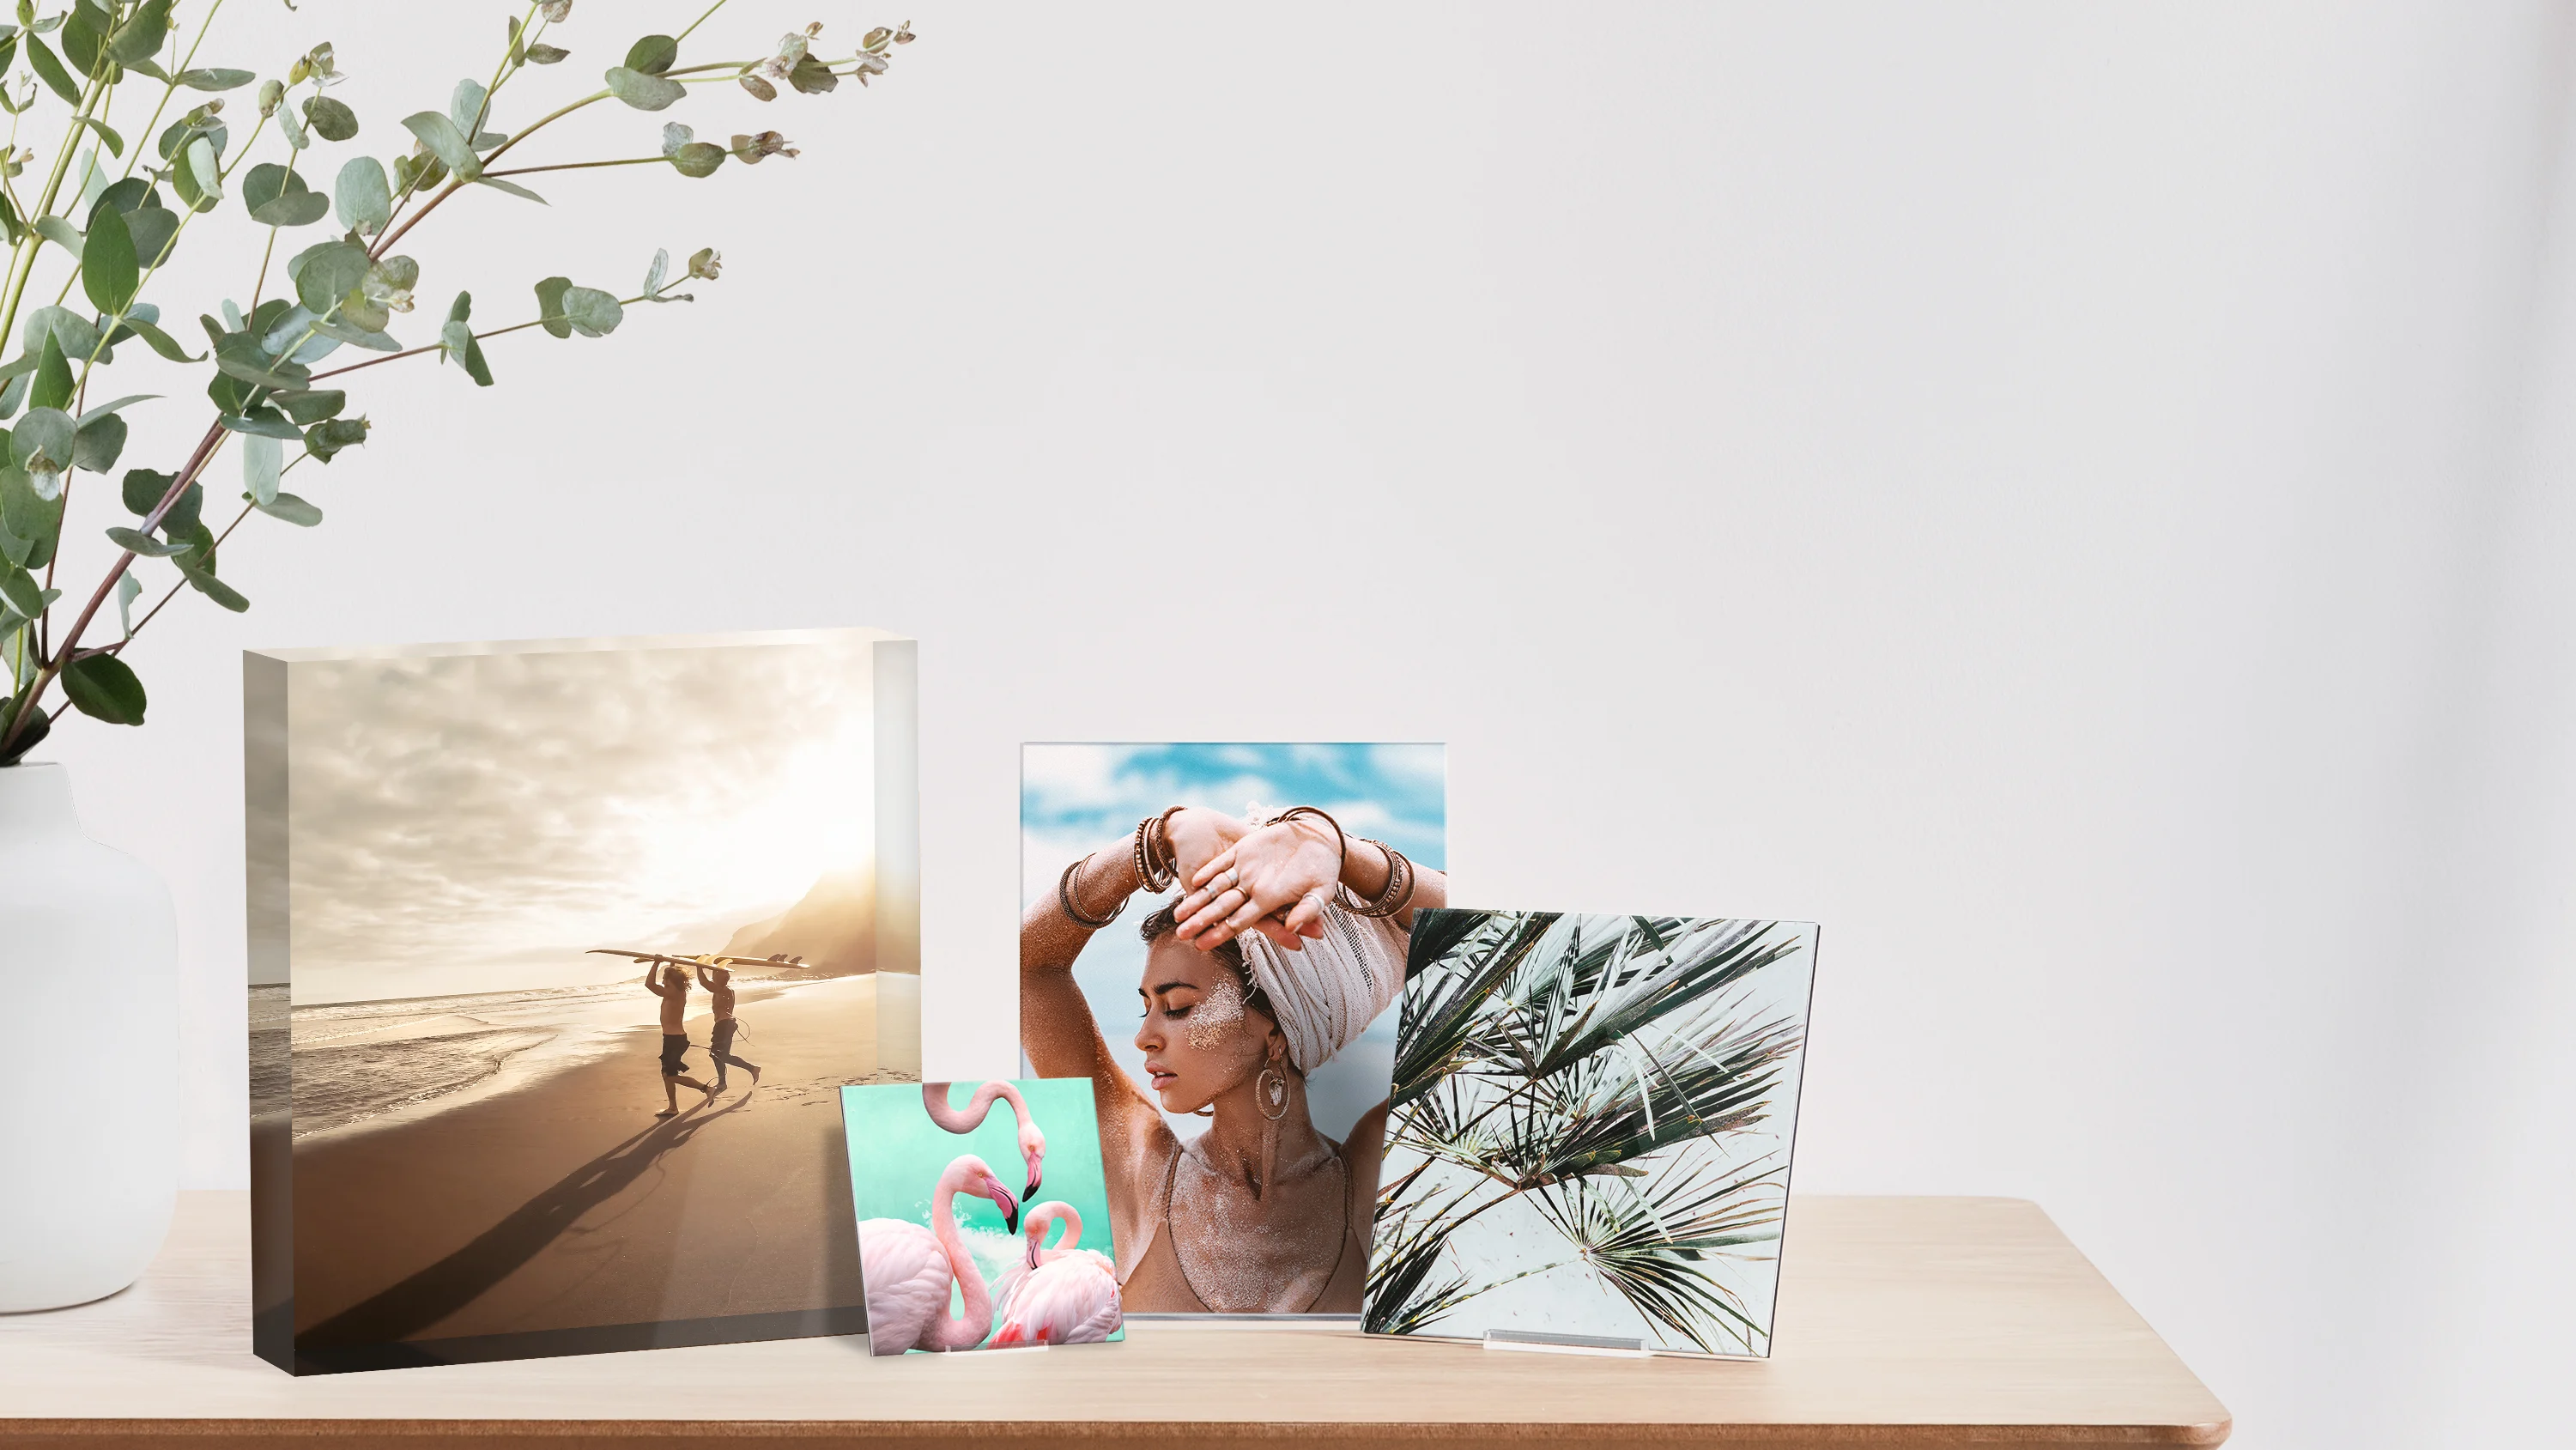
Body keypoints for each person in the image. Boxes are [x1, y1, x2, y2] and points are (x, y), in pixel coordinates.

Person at [1020, 804, 1445, 1313]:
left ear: (1275, 1028)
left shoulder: (1381, 1169)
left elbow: (1509, 947)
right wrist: (1158, 841)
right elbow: (1028, 964)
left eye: (1178, 1007)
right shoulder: (1139, 1169)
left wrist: (1338, 850)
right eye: (1145, 1008)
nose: (1144, 1038)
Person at [642, 962, 717, 1118]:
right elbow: (669, 979)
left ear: (671, 980)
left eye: (665, 978)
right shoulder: (676, 991)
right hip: (672, 1038)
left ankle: (706, 1089)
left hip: (674, 1040)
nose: (663, 981)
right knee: (666, 1073)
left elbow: (649, 984)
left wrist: (656, 963)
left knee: (669, 1075)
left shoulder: (672, 993)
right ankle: (673, 1107)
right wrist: (671, 965)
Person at [695, 961, 762, 1090]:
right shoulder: (725, 990)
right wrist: (712, 966)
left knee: (717, 1054)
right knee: (721, 1055)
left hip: (724, 1025)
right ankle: (750, 1069)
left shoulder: (722, 990)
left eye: (715, 976)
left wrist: (699, 966)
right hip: (726, 1025)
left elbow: (703, 982)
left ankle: (726, 1081)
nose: (712, 978)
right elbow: (708, 982)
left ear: (719, 979)